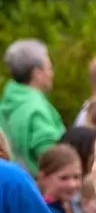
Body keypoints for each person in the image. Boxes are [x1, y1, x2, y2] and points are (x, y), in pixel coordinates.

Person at [0, 40, 64, 173]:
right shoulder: (36, 108)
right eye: (49, 68)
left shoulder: (6, 103)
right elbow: (51, 156)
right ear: (37, 73)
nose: (52, 74)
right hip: (34, 183)